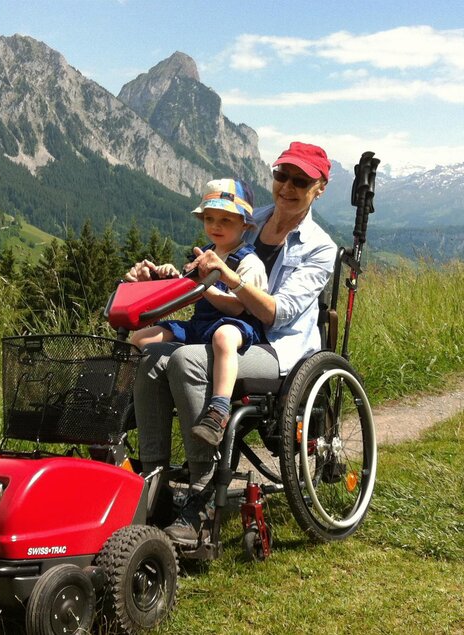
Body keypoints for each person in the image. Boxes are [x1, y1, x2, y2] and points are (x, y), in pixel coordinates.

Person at [131, 141, 339, 545]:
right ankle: (153, 483)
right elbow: (198, 273)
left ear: (320, 187)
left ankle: (204, 494)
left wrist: (230, 278)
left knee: (187, 361)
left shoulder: (320, 247)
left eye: (302, 180)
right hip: (222, 333)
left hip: (276, 350)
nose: (288, 186)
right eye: (282, 175)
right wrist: (159, 278)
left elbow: (275, 314)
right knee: (152, 356)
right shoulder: (246, 218)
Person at [127, 178, 269, 448]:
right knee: (141, 338)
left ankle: (218, 410)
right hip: (200, 325)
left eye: (226, 220)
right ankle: (132, 401)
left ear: (245, 225)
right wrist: (164, 277)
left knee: (224, 338)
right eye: (210, 218)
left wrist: (202, 288)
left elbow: (238, 306)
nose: (216, 226)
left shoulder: (249, 261)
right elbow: (184, 290)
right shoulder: (204, 254)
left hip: (237, 325)